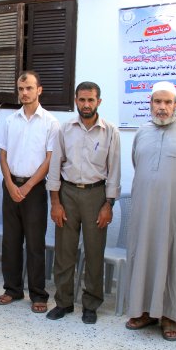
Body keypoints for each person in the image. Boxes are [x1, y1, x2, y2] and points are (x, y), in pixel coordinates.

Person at [125, 81, 176, 341]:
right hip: (144, 210)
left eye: (167, 102)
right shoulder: (141, 132)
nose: (162, 107)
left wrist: (175, 191)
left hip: (174, 210)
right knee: (143, 255)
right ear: (150, 104)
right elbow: (137, 163)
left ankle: (170, 315)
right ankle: (144, 311)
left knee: (174, 258)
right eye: (157, 102)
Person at [46, 81, 121, 324]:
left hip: (96, 195)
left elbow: (114, 171)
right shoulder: (65, 129)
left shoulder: (110, 132)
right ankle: (63, 302)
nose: (86, 104)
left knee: (94, 253)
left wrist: (108, 205)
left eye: (91, 100)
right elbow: (55, 167)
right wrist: (55, 203)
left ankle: (91, 305)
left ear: (99, 101)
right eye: (82, 100)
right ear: (76, 100)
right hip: (67, 194)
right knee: (64, 252)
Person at [0, 71, 59, 314]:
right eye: (21, 89)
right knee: (10, 241)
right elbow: (3, 155)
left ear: (39, 90)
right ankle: (12, 289)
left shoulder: (51, 122)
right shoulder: (10, 121)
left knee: (35, 244)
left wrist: (27, 187)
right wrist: (10, 184)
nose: (24, 93)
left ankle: (38, 294)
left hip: (35, 189)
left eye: (29, 88)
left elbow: (50, 160)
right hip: (11, 186)